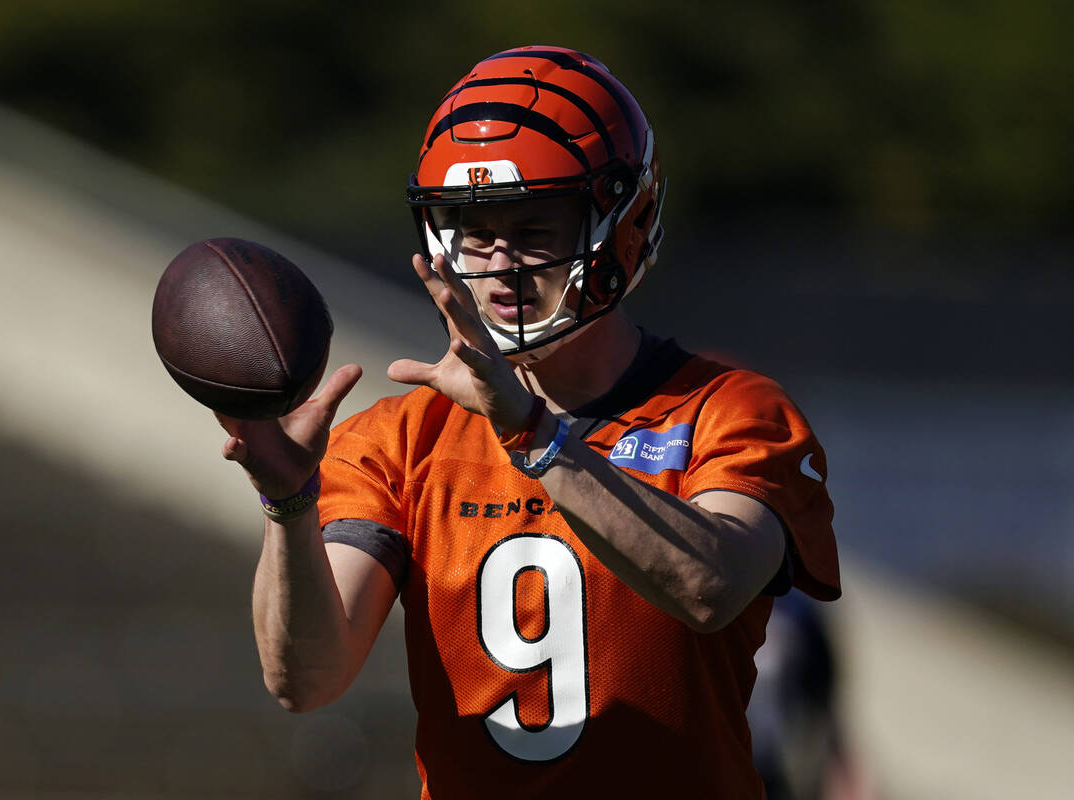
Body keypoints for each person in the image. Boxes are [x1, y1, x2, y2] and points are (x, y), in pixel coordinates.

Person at [216, 45, 841, 798]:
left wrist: (534, 435)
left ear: (624, 222)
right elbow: (307, 679)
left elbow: (709, 586)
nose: (501, 263)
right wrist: (288, 507)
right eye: (476, 232)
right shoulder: (399, 440)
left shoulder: (731, 409)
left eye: (534, 229)